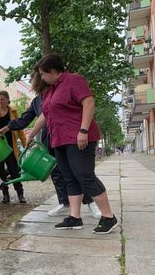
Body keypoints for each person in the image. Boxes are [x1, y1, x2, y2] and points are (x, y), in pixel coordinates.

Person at [27, 53, 117, 234]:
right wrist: (31, 134)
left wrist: (83, 130)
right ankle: (75, 218)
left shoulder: (73, 80)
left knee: (85, 175)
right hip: (59, 140)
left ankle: (108, 217)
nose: (42, 78)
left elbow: (89, 102)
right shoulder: (52, 90)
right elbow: (44, 115)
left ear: (52, 71)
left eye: (43, 74)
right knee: (69, 178)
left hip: (78, 138)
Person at [0, 67, 101, 219]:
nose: (31, 84)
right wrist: (8, 127)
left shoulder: (57, 91)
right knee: (58, 173)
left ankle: (91, 203)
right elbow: (26, 118)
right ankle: (65, 203)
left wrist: (83, 131)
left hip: (68, 136)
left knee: (80, 171)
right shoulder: (37, 101)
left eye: (32, 81)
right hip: (50, 139)